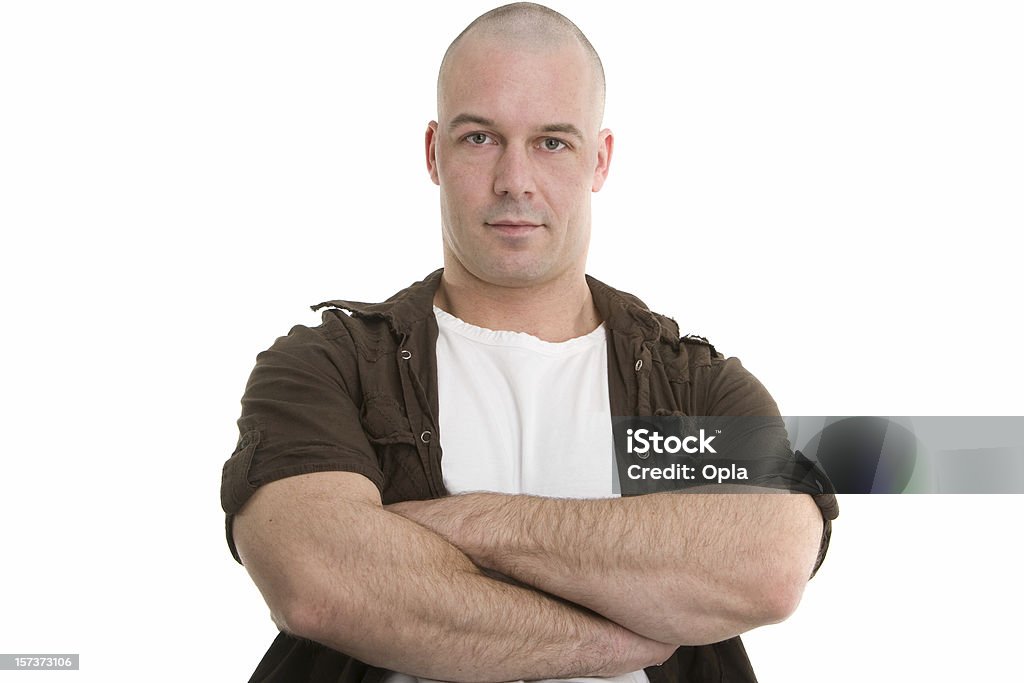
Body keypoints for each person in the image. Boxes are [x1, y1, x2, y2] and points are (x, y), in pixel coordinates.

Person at [220, 3, 839, 682]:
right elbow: (318, 581)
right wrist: (617, 635)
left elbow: (768, 565)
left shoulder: (686, 388)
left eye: (552, 142)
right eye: (481, 138)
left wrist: (465, 523)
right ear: (434, 152)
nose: (515, 180)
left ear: (598, 160)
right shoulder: (332, 367)